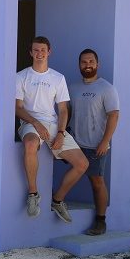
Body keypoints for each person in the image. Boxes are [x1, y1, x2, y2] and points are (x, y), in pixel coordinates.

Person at [15, 36, 89, 222]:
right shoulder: (21, 76)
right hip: (30, 123)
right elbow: (17, 108)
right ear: (30, 52)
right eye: (36, 50)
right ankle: (33, 194)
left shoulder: (58, 78)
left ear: (49, 52)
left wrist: (61, 133)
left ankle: (57, 199)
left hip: (54, 126)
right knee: (31, 144)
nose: (39, 53)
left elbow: (63, 109)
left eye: (43, 50)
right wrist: (36, 123)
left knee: (82, 164)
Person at [69, 48, 119, 235]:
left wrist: (105, 142)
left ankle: (100, 221)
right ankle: (57, 200)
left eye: (91, 62)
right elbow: (68, 113)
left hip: (96, 145)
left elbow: (114, 116)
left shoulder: (106, 88)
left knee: (97, 182)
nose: (87, 65)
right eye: (83, 62)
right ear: (79, 65)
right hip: (74, 144)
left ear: (97, 64)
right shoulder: (73, 88)